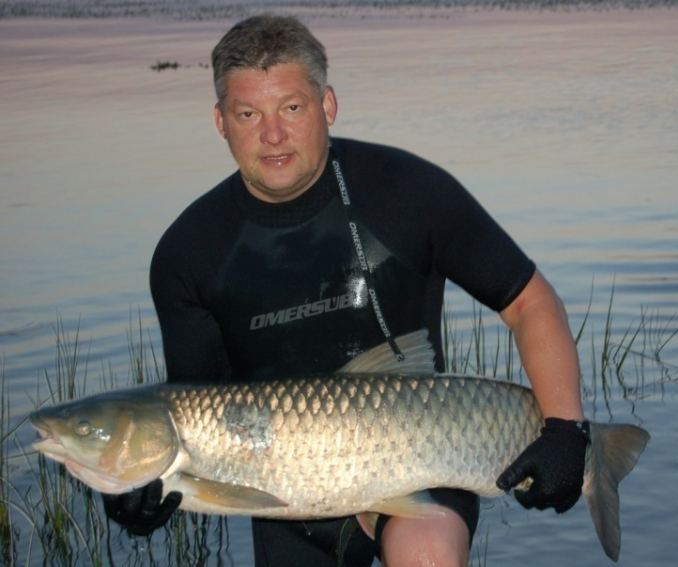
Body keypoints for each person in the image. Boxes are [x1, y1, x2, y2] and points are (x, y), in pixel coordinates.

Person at [102, 15, 588, 567]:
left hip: (417, 454)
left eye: (292, 107)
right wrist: (142, 489)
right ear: (220, 122)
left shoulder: (408, 192)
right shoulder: (187, 252)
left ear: (327, 106)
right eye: (247, 114)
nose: (273, 134)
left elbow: (529, 301)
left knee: (426, 556)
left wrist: (565, 429)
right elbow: (197, 406)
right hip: (283, 485)